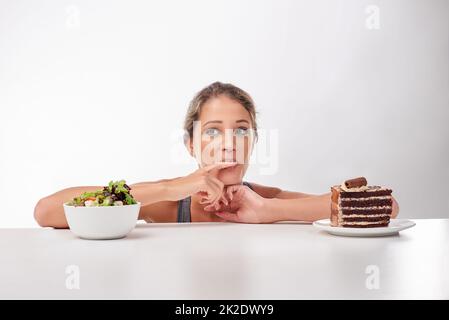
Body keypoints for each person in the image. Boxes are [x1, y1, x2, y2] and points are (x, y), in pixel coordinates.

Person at [34, 81, 399, 228]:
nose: (230, 142)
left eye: (242, 130)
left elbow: (389, 208)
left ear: (254, 141)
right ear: (190, 145)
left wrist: (271, 212)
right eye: (213, 131)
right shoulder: (167, 205)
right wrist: (169, 186)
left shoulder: (265, 198)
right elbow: (48, 211)